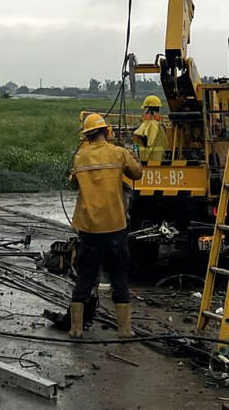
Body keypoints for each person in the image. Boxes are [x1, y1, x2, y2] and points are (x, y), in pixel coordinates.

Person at [68, 112, 142, 341]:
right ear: (107, 131)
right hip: (115, 226)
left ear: (86, 135)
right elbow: (137, 174)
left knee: (85, 277)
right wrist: (128, 154)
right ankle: (124, 330)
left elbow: (73, 182)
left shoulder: (80, 157)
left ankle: (76, 329)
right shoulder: (118, 153)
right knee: (119, 276)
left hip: (90, 228)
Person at [132, 95, 168, 163]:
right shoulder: (160, 125)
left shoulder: (150, 124)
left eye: (144, 109)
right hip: (157, 161)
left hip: (146, 162)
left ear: (149, 110)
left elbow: (138, 139)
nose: (143, 112)